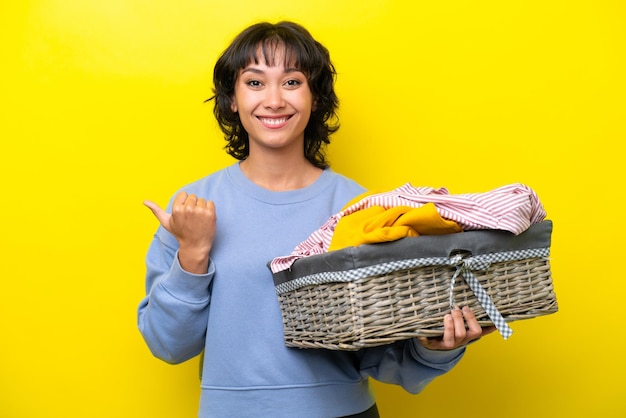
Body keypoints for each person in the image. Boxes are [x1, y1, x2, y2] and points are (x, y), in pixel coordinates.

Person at [138, 21, 494, 418]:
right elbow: (168, 344)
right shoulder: (195, 208)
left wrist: (434, 348)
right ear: (232, 99)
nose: (274, 100)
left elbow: (383, 354)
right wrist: (193, 254)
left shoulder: (357, 208)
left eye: (292, 82)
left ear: (314, 98)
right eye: (255, 83)